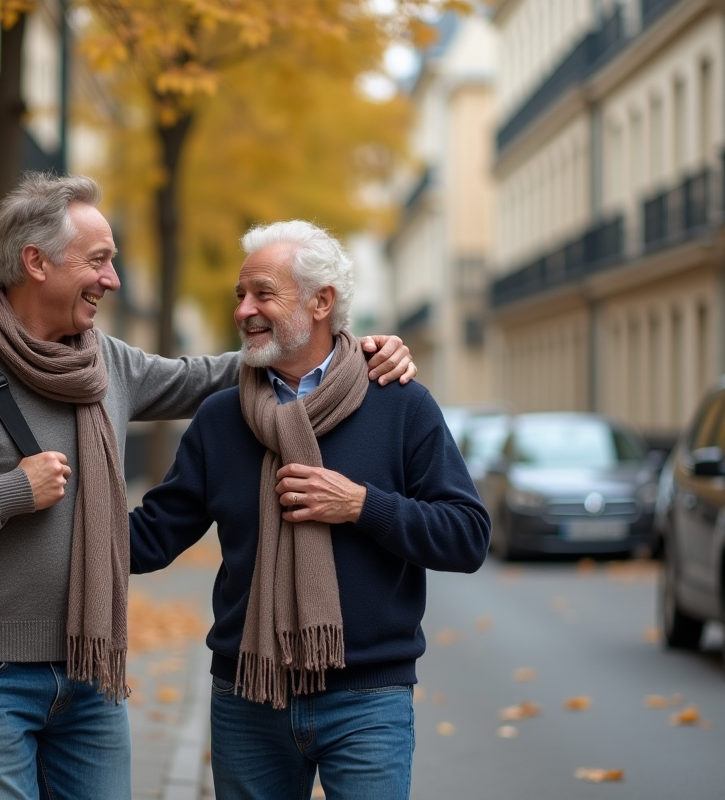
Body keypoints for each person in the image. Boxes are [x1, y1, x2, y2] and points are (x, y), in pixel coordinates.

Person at [0, 174, 417, 800]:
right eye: (98, 260)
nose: (113, 279)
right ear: (35, 262)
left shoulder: (106, 362)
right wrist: (12, 491)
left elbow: (218, 373)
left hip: (90, 668)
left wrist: (351, 352)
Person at [129, 220, 490, 800]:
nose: (244, 309)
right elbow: (149, 538)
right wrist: (44, 516)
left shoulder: (399, 403)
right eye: (240, 295)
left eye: (263, 294)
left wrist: (360, 505)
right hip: (248, 695)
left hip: (368, 699)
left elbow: (468, 537)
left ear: (322, 302)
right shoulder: (221, 419)